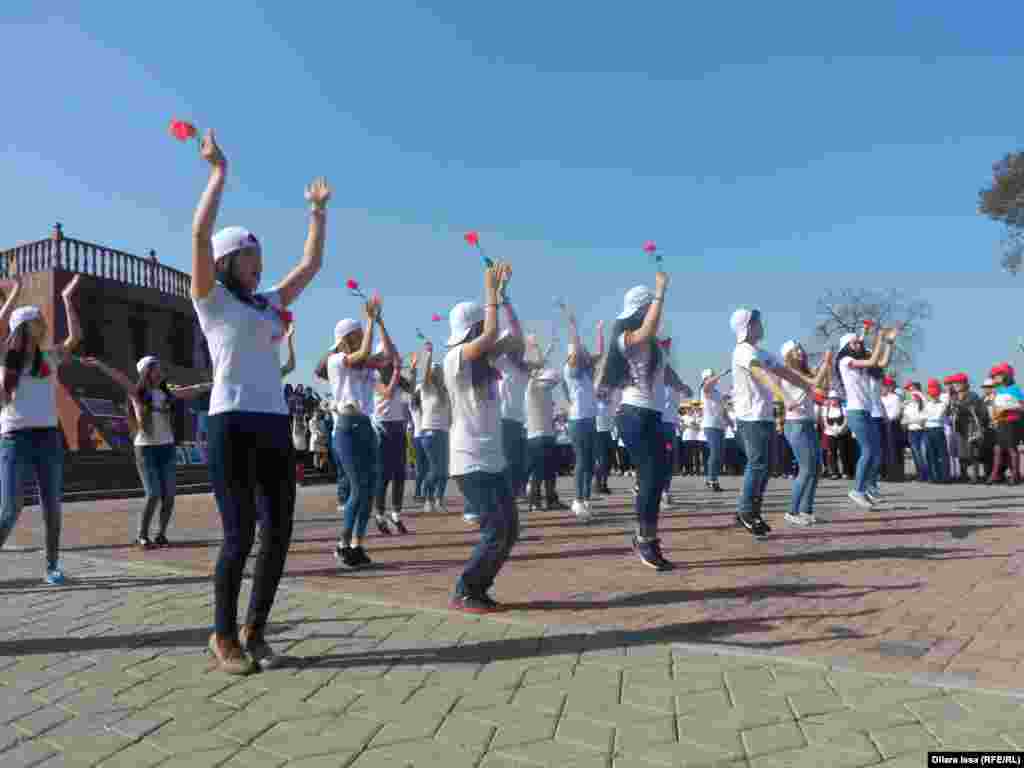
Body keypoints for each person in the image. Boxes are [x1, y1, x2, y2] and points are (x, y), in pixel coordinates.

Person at [190, 129, 330, 673]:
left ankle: (256, 629)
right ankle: (222, 634)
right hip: (230, 420)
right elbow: (199, 233)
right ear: (226, 262)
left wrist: (317, 213)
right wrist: (218, 173)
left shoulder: (268, 305)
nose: (257, 261)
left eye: (258, 253)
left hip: (274, 423)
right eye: (248, 255)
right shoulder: (212, 300)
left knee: (279, 531)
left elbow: (310, 267)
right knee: (239, 532)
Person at [445, 263, 519, 613]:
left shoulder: (487, 361)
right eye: (479, 327)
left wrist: (503, 299)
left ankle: (478, 587)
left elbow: (514, 338)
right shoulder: (454, 358)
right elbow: (490, 337)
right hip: (469, 458)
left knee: (509, 530)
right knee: (495, 530)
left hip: (492, 458)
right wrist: (489, 292)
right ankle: (465, 589)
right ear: (470, 329)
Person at [0, 274, 84, 584]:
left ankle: (52, 566)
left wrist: (66, 299)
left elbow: (75, 338)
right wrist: (16, 293)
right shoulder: (5, 357)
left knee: (52, 505)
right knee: (10, 509)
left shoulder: (49, 358)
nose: (42, 324)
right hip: (14, 439)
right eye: (36, 320)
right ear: (23, 327)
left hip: (48, 437)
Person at [80, 355, 212, 547]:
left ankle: (161, 534)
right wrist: (100, 364)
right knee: (153, 494)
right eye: (155, 369)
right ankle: (142, 534)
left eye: (160, 368)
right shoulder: (137, 393)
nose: (160, 372)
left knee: (169, 495)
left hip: (166, 448)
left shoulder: (167, 392)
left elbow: (192, 390)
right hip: (145, 449)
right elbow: (119, 378)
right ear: (146, 373)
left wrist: (216, 383)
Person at [595, 272, 673, 569]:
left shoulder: (653, 345)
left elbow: (662, 371)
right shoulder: (626, 338)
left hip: (651, 415)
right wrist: (660, 292)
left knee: (657, 476)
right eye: (648, 310)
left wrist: (679, 384)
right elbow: (648, 327)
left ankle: (646, 536)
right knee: (651, 476)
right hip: (634, 415)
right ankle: (645, 539)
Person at [319, 306, 397, 565]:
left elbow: (388, 355)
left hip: (365, 426)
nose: (362, 338)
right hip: (347, 428)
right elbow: (363, 352)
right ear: (343, 341)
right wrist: (370, 320)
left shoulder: (365, 366)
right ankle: (342, 544)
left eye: (362, 333)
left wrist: (380, 322)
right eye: (357, 335)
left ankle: (357, 545)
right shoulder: (336, 361)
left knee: (369, 489)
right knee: (358, 487)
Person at [728, 308, 813, 537]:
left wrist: (809, 386)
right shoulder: (742, 351)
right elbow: (759, 373)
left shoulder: (762, 352)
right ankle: (748, 512)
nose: (761, 325)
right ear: (747, 327)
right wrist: (783, 396)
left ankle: (748, 510)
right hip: (750, 418)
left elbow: (784, 372)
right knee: (758, 464)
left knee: (765, 465)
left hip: (763, 417)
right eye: (757, 322)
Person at [833, 325, 900, 508]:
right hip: (855, 411)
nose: (858, 344)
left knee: (875, 452)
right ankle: (858, 490)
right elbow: (871, 361)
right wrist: (878, 337)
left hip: (866, 411)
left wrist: (889, 343)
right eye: (853, 342)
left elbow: (882, 362)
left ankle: (869, 488)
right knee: (868, 450)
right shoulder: (845, 360)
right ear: (846, 346)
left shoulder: (861, 364)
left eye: (858, 341)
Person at [777, 340, 832, 526]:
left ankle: (806, 510)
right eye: (796, 349)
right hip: (796, 424)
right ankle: (792, 511)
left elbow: (822, 387)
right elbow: (816, 382)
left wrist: (827, 366)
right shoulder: (788, 372)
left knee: (816, 469)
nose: (800, 351)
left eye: (800, 348)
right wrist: (825, 362)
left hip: (807, 423)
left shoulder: (803, 372)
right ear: (788, 355)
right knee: (807, 469)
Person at [562, 313, 601, 520]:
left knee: (589, 461)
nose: (585, 354)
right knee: (581, 460)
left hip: (590, 418)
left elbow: (601, 354)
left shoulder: (586, 372)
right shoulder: (570, 369)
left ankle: (585, 499)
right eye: (580, 352)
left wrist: (599, 332)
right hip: (577, 420)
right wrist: (573, 327)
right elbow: (577, 350)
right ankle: (577, 500)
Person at [371, 344, 413, 535]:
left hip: (398, 426)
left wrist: (412, 370)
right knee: (383, 475)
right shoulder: (373, 374)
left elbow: (411, 389)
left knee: (399, 474)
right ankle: (379, 514)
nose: (395, 357)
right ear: (382, 357)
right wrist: (397, 370)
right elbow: (387, 392)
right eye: (391, 354)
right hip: (382, 427)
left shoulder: (396, 374)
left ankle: (396, 513)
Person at [417, 341, 452, 516]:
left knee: (445, 471)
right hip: (429, 432)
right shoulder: (426, 388)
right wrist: (427, 353)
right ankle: (427, 496)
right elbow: (422, 373)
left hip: (444, 433)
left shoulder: (445, 392)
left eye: (440, 370)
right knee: (435, 469)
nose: (438, 372)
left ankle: (439, 499)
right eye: (435, 370)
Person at [948, 373, 989, 484]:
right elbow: (949, 412)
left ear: (965, 384)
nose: (955, 385)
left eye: (958, 383)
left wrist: (961, 407)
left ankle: (975, 476)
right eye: (954, 383)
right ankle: (963, 475)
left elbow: (979, 412)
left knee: (973, 452)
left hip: (971, 426)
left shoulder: (973, 396)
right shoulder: (954, 397)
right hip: (959, 427)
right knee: (961, 452)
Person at [988, 362, 1023, 484]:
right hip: (1001, 422)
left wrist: (1008, 408)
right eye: (995, 376)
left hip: (1012, 422)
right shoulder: (998, 390)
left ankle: (1015, 475)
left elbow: (1021, 406)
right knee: (997, 448)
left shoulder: (1015, 389)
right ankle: (995, 474)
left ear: (1007, 375)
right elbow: (996, 407)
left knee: (1011, 449)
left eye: (998, 375)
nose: (995, 378)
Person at [700, 369, 728, 491]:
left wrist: (730, 422)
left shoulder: (718, 393)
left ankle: (710, 478)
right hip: (710, 425)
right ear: (706, 378)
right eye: (711, 376)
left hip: (720, 425)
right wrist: (721, 374)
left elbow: (722, 410)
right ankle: (712, 479)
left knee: (719, 454)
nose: (715, 379)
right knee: (715, 453)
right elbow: (707, 385)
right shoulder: (705, 390)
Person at [923, 378, 950, 484]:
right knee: (930, 454)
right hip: (929, 429)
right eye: (931, 394)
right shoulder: (928, 404)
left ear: (938, 394)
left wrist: (928, 416)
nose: (933, 396)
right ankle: (933, 476)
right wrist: (928, 416)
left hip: (938, 429)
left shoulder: (942, 404)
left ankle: (944, 477)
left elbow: (937, 416)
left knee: (942, 454)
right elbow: (923, 416)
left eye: (935, 394)